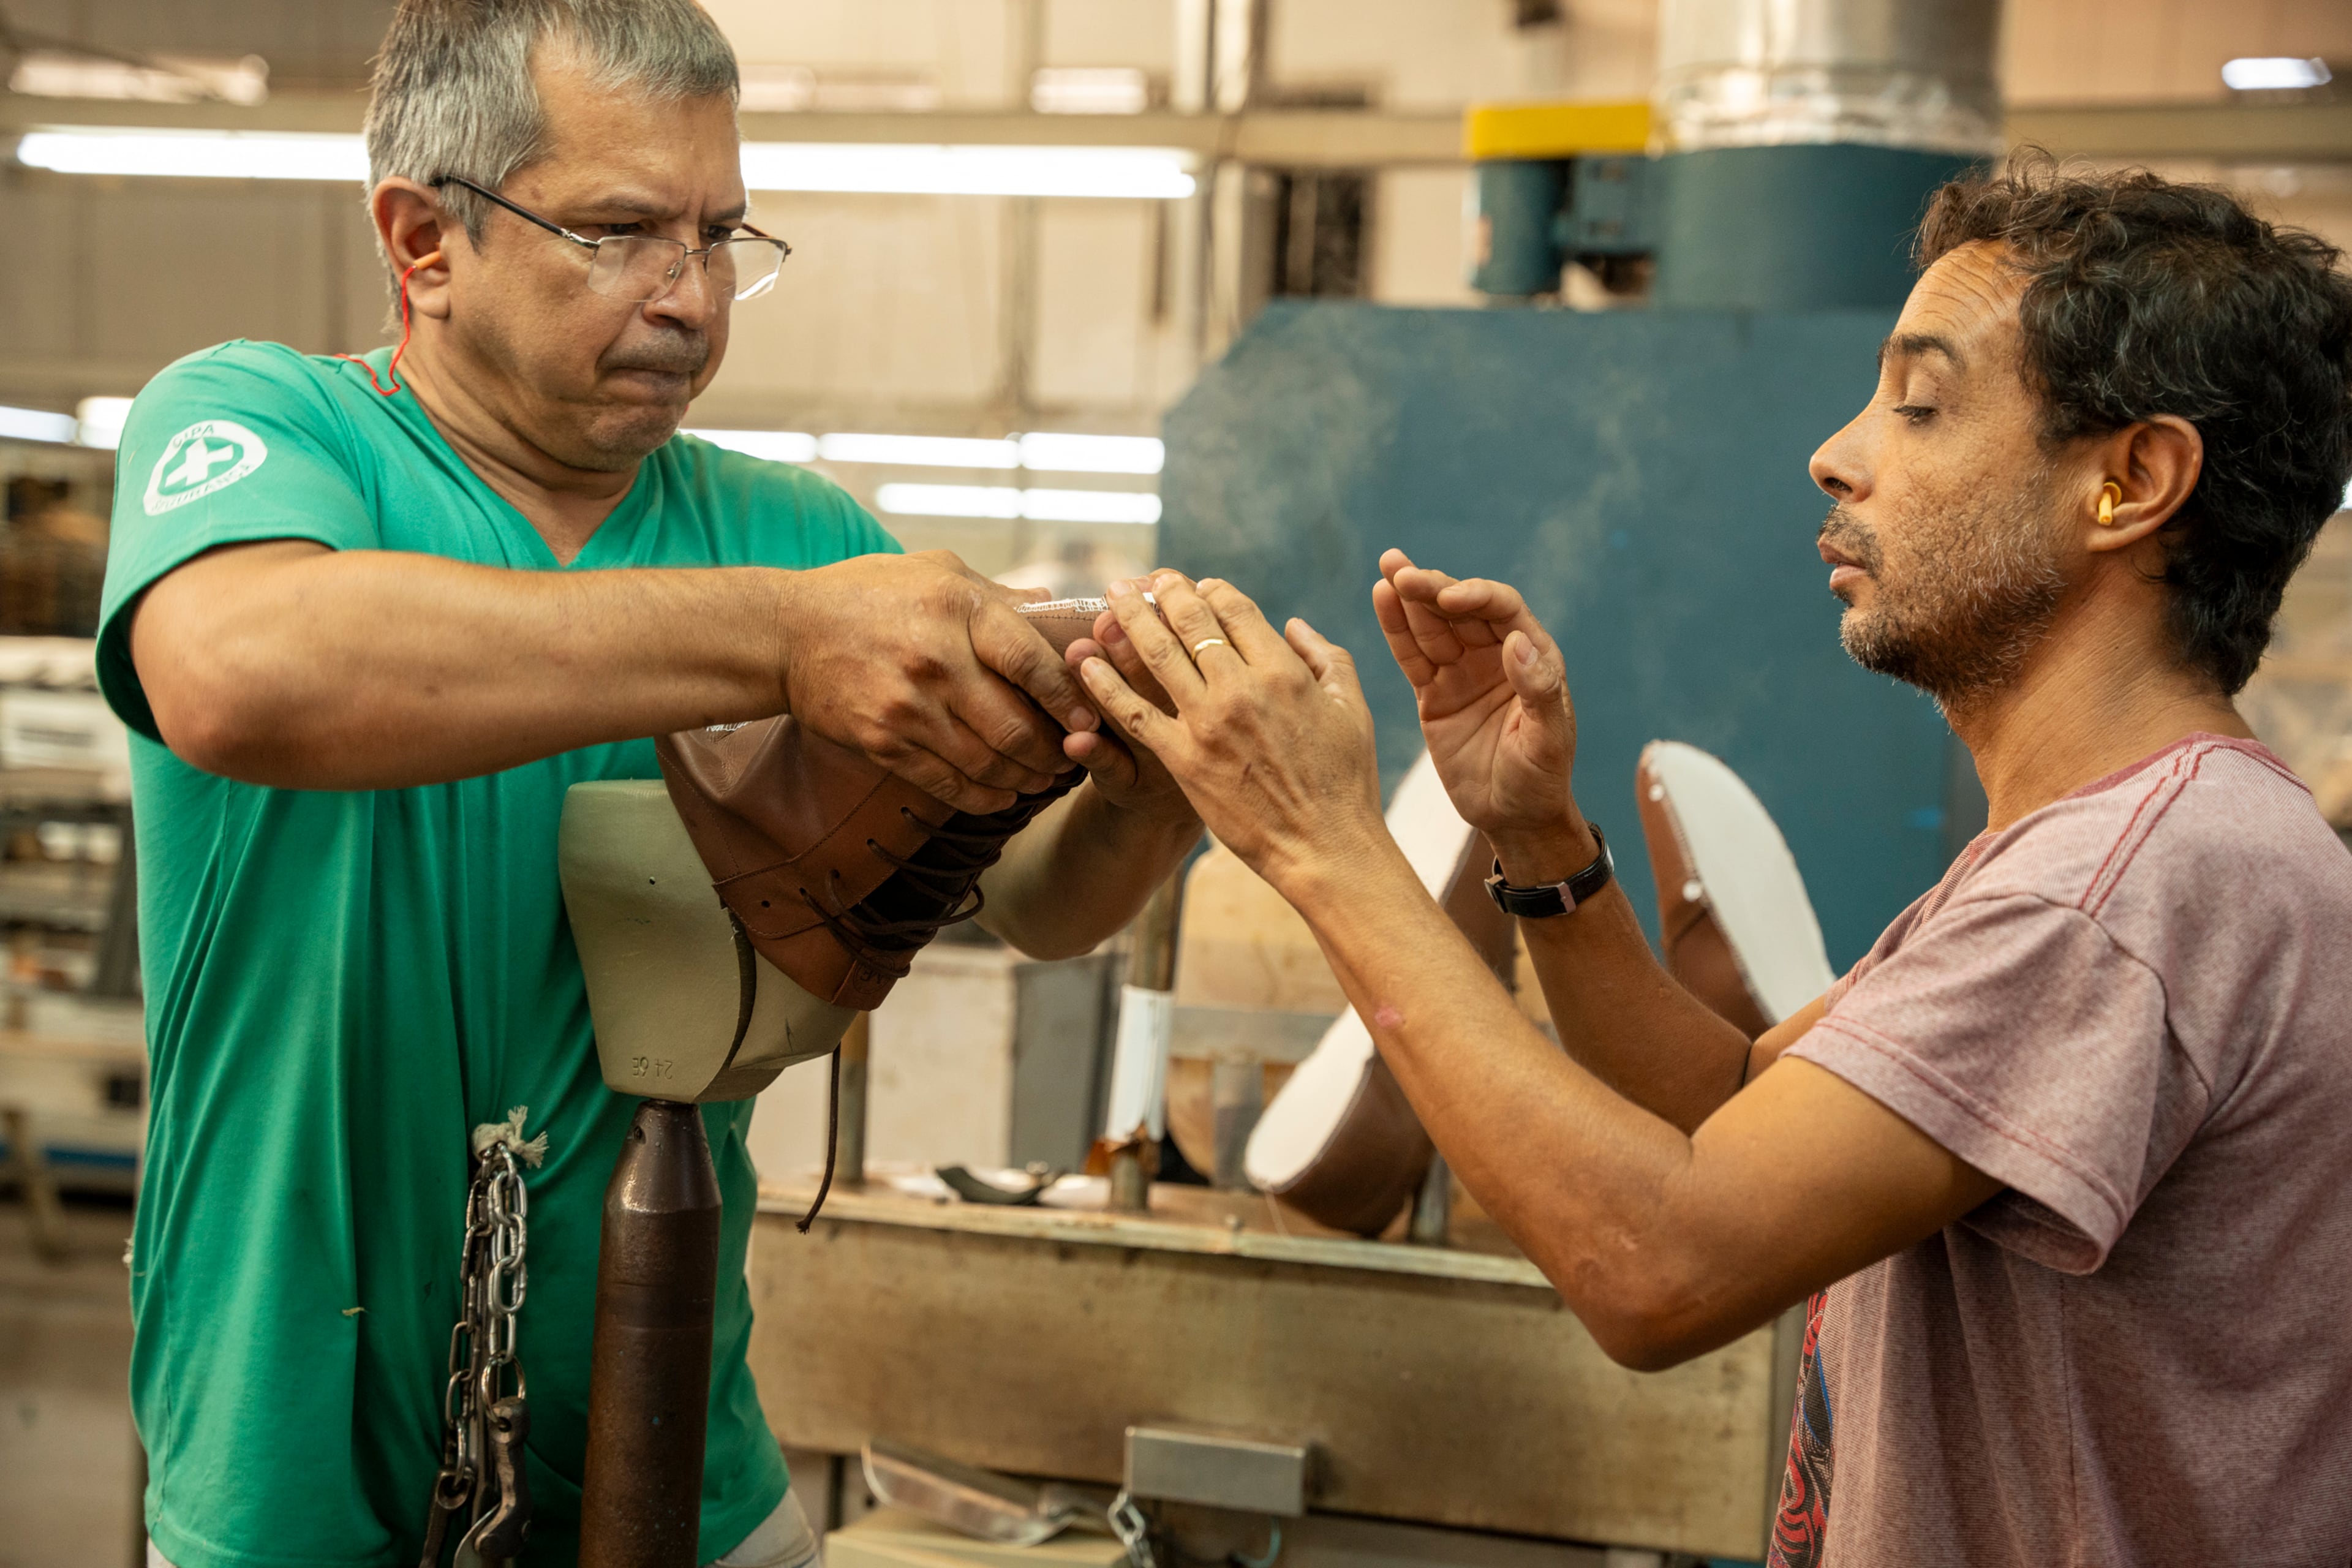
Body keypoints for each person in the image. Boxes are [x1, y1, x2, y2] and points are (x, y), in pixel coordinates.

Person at [1077, 156, 2352, 1565]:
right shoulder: (2123, 850)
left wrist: (1324, 846)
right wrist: (1539, 846)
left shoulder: (2119, 894)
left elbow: (1656, 1266)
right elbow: (1732, 1104)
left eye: (1921, 404)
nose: (1839, 451)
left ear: (2130, 482)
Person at [102, 3, 1199, 1564]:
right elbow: (245, 672)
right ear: (424, 245)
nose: (687, 299)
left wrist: (1152, 782)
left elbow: (1032, 899)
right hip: (286, 1441)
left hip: (675, 1439)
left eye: (718, 234)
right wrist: (783, 636)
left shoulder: (804, 532)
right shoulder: (263, 431)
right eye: (618, 232)